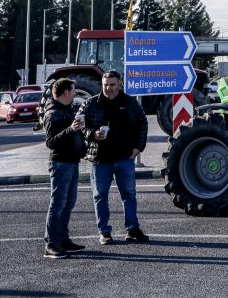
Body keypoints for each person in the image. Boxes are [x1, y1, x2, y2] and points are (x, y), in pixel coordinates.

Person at [81, 70, 150, 244]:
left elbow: (143, 123)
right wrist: (92, 134)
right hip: (100, 159)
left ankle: (132, 229)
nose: (108, 88)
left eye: (112, 85)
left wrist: (138, 147)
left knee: (129, 194)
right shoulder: (90, 104)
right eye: (105, 85)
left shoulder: (130, 103)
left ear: (120, 84)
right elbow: (80, 126)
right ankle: (104, 231)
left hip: (125, 158)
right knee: (100, 196)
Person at [42, 78, 87, 259]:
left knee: (68, 203)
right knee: (58, 204)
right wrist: (71, 129)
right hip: (60, 163)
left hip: (72, 161)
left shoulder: (67, 110)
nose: (75, 93)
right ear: (66, 92)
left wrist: (78, 129)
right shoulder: (52, 114)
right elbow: (51, 142)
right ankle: (51, 244)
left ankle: (63, 239)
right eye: (74, 90)